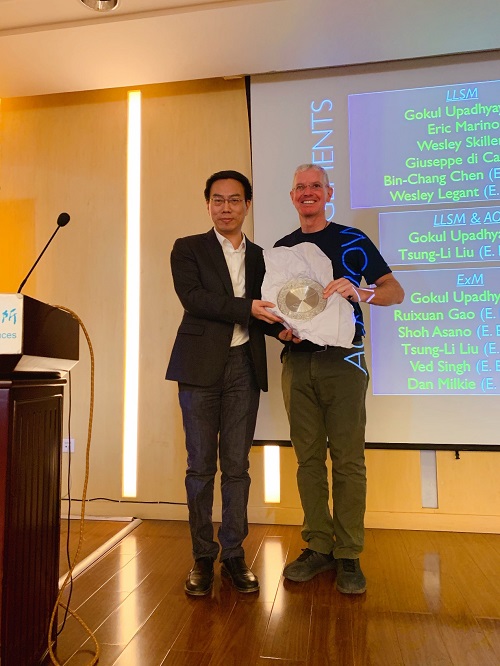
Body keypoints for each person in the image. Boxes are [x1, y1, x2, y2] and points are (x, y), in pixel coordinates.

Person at [275, 163, 405, 594]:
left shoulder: (353, 239)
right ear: (292, 196)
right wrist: (282, 330)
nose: (308, 192)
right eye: (301, 187)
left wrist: (361, 291)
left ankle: (349, 554)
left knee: (348, 460)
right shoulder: (282, 249)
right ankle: (318, 546)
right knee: (308, 460)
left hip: (345, 362)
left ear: (328, 193)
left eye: (316, 186)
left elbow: (395, 291)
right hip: (297, 362)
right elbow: (276, 308)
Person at [166, 169, 282, 597]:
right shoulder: (188, 248)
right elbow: (195, 299)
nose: (226, 208)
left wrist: (285, 330)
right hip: (199, 367)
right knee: (200, 467)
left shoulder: (263, 258)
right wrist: (248, 307)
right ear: (208, 204)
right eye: (218, 200)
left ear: (247, 205)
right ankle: (202, 556)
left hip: (243, 367)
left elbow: (265, 312)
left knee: (237, 467)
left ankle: (233, 554)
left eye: (235, 200)